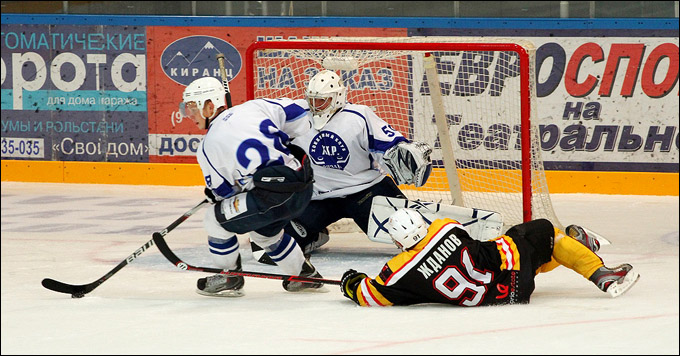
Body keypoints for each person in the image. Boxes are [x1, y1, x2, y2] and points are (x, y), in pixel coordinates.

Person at [251, 69, 433, 264]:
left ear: (337, 97)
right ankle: (315, 234)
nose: (315, 106)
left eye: (321, 100)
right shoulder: (296, 114)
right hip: (319, 197)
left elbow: (389, 146)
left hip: (365, 192)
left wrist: (402, 154)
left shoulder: (358, 116)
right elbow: (264, 126)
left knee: (419, 241)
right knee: (265, 249)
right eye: (312, 99)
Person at [180, 76, 324, 297]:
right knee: (265, 235)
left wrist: (214, 194)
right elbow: (299, 114)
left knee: (214, 220)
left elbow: (225, 193)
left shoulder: (208, 147)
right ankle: (304, 276)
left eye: (193, 108)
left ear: (210, 105)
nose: (190, 116)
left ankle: (229, 275)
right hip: (303, 184)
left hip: (272, 197)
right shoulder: (254, 107)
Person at [340, 208, 640, 306]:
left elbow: (369, 294)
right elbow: (482, 245)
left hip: (499, 296)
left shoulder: (396, 272)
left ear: (397, 241)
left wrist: (350, 283)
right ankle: (598, 271)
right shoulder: (446, 228)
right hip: (508, 274)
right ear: (422, 223)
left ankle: (575, 244)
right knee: (544, 231)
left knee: (540, 246)